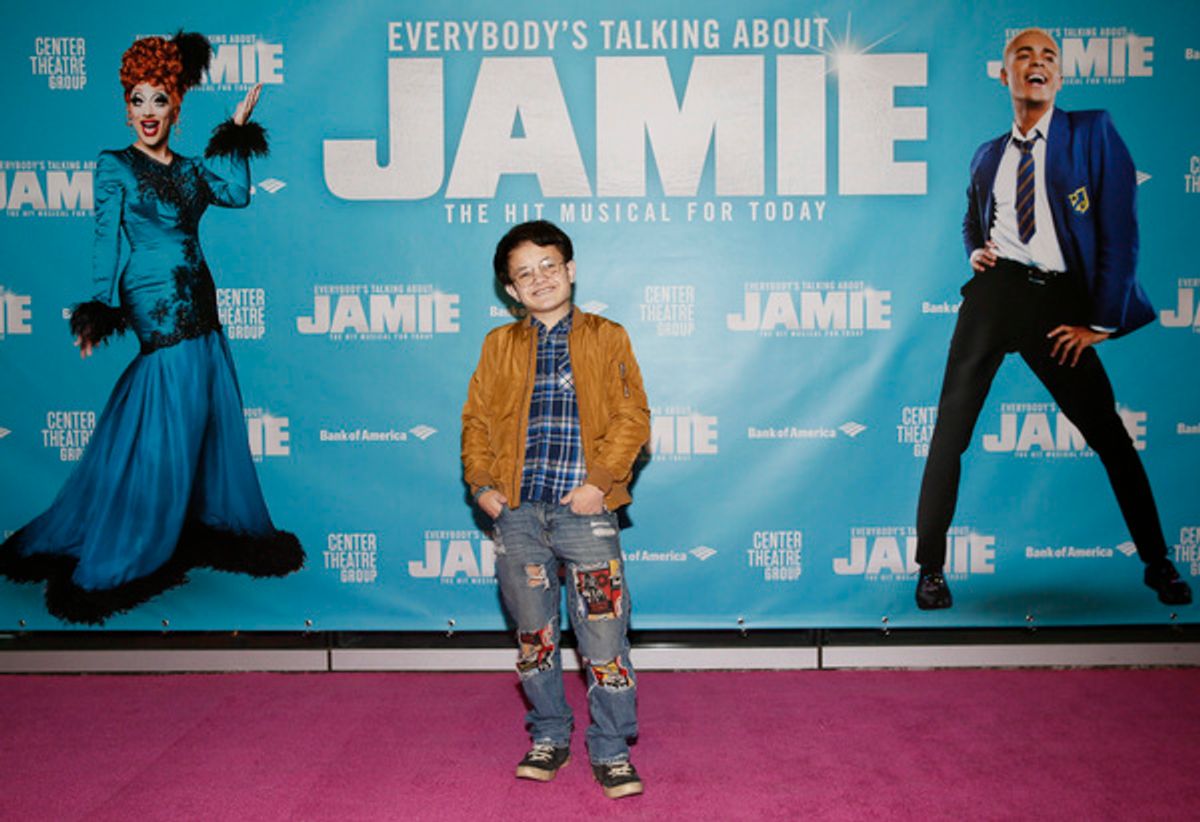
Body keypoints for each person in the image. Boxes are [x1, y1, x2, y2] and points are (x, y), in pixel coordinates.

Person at [0, 32, 303, 624]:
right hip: (150, 294)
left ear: (175, 107)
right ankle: (137, 539)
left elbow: (239, 194)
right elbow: (104, 237)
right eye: (136, 100)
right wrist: (97, 306)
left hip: (200, 291)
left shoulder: (192, 171)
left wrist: (237, 130)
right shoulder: (113, 165)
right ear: (126, 106)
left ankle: (188, 526)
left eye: (158, 100)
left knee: (200, 409)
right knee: (167, 407)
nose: (146, 112)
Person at [913, 28, 1190, 610]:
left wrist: (1100, 325)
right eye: (1024, 56)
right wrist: (975, 251)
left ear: (1059, 78)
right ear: (1004, 74)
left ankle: (1157, 563)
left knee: (1110, 437)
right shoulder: (988, 154)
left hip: (1057, 303)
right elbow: (972, 217)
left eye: (1048, 58)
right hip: (994, 297)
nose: (1036, 64)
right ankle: (931, 570)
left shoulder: (1092, 133)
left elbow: (1121, 232)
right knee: (949, 434)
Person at [461, 221, 651, 799]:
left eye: (548, 266)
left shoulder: (606, 336)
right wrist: (483, 487)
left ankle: (612, 747)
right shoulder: (499, 346)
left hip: (585, 515)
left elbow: (632, 418)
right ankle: (548, 734)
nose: (539, 279)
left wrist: (599, 483)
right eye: (524, 274)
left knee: (603, 636)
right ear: (511, 292)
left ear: (569, 270)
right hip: (517, 516)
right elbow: (476, 422)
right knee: (534, 637)